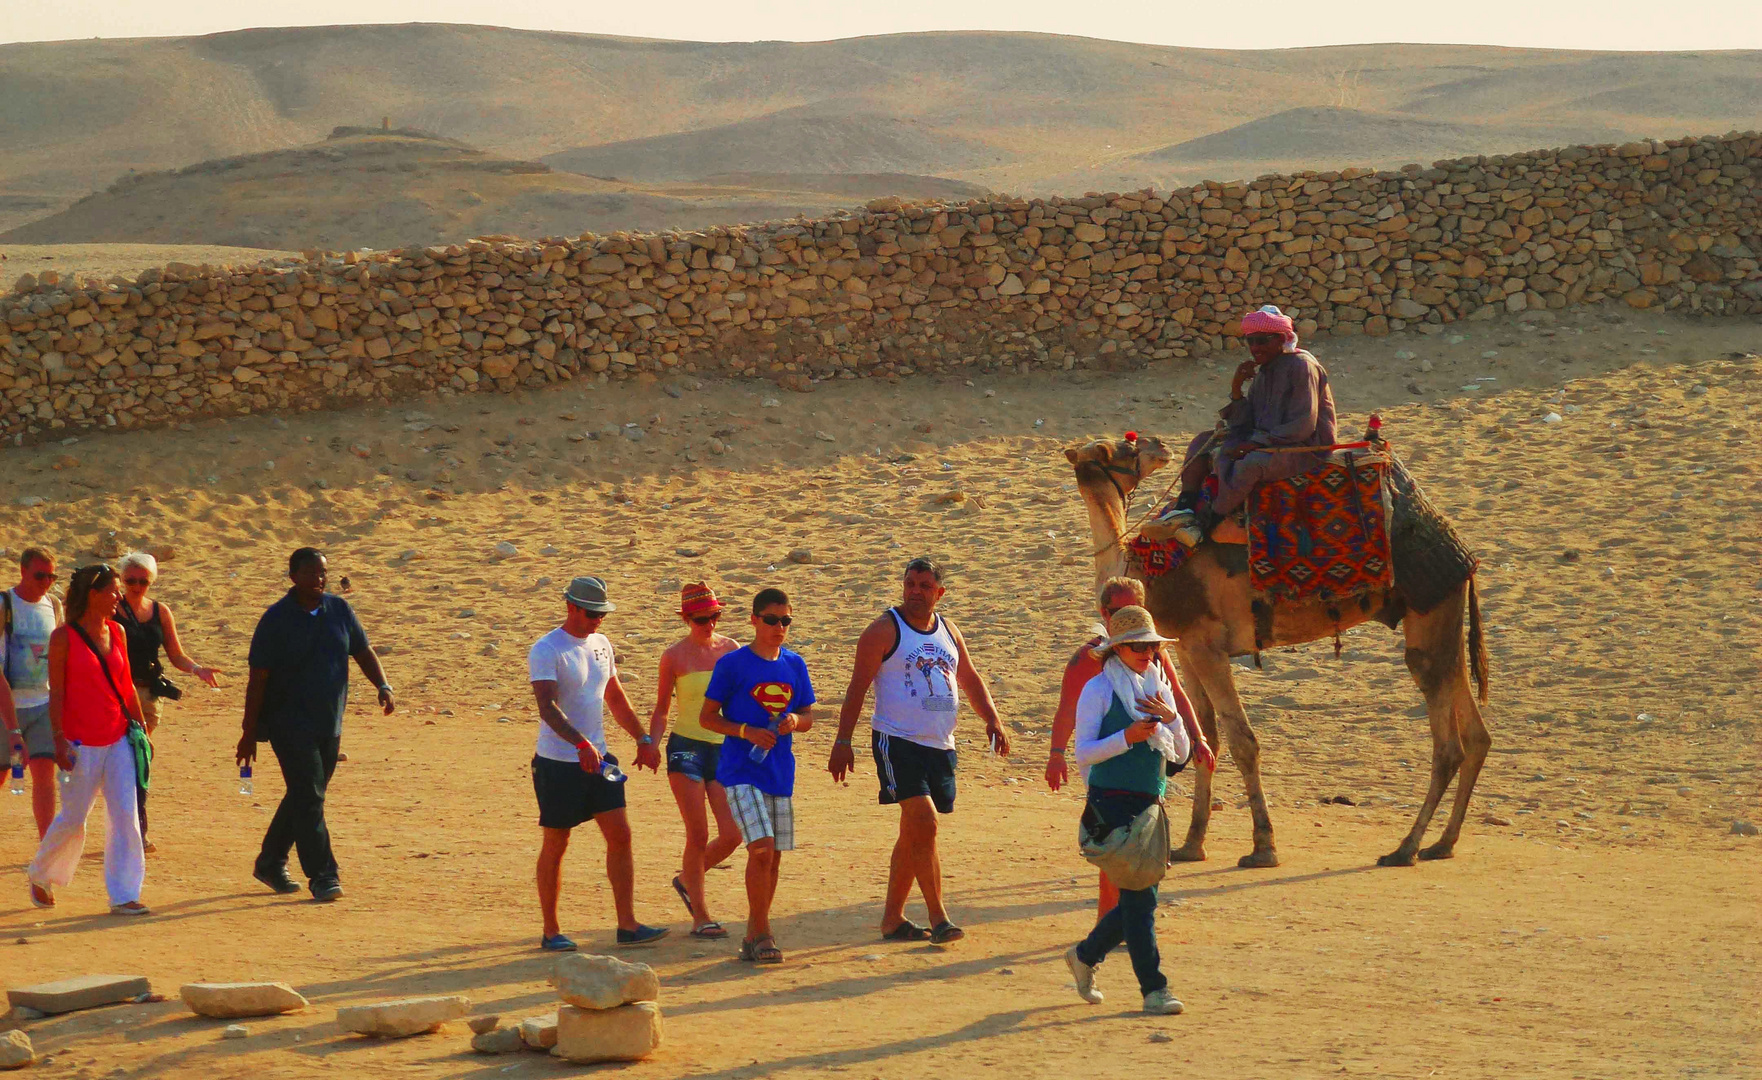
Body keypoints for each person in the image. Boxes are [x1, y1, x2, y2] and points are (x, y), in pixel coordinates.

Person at [829, 557, 1008, 945]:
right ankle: (939, 917)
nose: (915, 591)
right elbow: (857, 686)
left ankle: (892, 920)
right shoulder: (882, 630)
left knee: (914, 833)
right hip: (897, 741)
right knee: (925, 823)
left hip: (941, 745)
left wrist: (992, 720)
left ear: (939, 593)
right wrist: (843, 741)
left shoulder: (949, 631)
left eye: (925, 586)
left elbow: (969, 677)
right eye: (910, 583)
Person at [1046, 578, 1213, 919]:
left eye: (1137, 609)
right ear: (1104, 614)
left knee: (1144, 857)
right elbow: (1068, 709)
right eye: (1121, 611)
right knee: (1116, 855)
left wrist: (1197, 737)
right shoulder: (1088, 663)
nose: (1143, 648)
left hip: (1150, 770)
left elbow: (1176, 696)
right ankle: (1109, 929)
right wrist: (1056, 754)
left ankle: (1127, 931)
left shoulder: (1153, 659)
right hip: (1107, 773)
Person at [238, 548, 393, 902]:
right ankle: (323, 875)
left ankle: (270, 861)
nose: (319, 579)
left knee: (306, 795)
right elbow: (257, 679)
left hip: (329, 721)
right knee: (309, 796)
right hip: (287, 725)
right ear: (293, 577)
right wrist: (249, 733)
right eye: (310, 573)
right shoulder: (275, 620)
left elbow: (363, 650)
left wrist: (382, 685)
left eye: (322, 573)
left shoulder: (338, 610)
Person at [1064, 605, 1192, 1015]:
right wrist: (1128, 736)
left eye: (1150, 645)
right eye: (1135, 645)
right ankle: (1154, 990)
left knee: (1140, 900)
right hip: (1110, 804)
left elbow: (1182, 753)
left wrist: (1172, 721)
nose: (1145, 652)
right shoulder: (1098, 690)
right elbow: (1083, 754)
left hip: (1152, 802)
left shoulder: (1158, 688)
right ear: (1116, 649)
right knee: (1140, 903)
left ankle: (1085, 955)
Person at [530, 575, 667, 952]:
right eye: (592, 614)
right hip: (559, 762)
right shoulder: (547, 649)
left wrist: (642, 738)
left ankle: (627, 924)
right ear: (571, 607)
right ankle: (551, 929)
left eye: (601, 614)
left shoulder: (601, 644)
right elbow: (547, 707)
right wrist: (580, 743)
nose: (597, 621)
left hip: (599, 758)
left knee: (621, 835)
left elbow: (615, 697)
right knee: (557, 841)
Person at [697, 588, 815, 965]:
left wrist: (796, 721)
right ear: (753, 620)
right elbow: (707, 718)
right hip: (739, 769)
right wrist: (746, 731)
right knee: (760, 847)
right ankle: (764, 933)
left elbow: (809, 716)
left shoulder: (795, 664)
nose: (779, 627)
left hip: (779, 771)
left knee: (773, 857)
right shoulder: (732, 665)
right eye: (771, 619)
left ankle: (752, 933)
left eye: (785, 621)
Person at [26, 563, 149, 915]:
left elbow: (126, 687)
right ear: (93, 595)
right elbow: (58, 694)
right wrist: (59, 740)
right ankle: (40, 873)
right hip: (80, 743)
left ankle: (124, 894)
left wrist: (139, 728)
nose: (117, 598)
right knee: (74, 818)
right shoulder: (63, 638)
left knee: (126, 815)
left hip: (118, 738)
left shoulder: (118, 632)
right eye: (112, 591)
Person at [1159, 305, 1338, 540]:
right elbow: (1248, 421)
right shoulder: (1265, 371)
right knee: (1203, 441)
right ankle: (1185, 507)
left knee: (1249, 464)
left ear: (1282, 339)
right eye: (1251, 342)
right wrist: (1236, 388)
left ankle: (1208, 523)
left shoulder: (1301, 366)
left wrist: (1255, 443)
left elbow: (1303, 425)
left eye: (1262, 341)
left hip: (1305, 446)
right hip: (1271, 438)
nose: (1255, 348)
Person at [648, 582, 741, 939]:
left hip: (723, 747)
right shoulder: (674, 656)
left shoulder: (731, 650)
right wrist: (651, 744)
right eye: (702, 618)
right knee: (698, 832)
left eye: (715, 617)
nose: (710, 624)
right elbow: (661, 709)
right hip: (685, 746)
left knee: (732, 835)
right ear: (687, 618)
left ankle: (689, 879)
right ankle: (701, 915)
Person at [115, 551, 223, 853]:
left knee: (136, 758)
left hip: (149, 697)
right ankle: (136, 831)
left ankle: (130, 828)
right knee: (137, 757)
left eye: (143, 581)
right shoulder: (111, 610)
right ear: (122, 580)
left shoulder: (160, 611)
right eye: (130, 580)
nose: (136, 586)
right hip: (118, 696)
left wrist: (196, 669)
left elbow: (175, 654)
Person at [2, 548, 63, 839]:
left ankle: (46, 846)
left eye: (52, 576)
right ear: (23, 571)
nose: (46, 582)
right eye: (40, 575)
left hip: (43, 704)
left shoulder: (53, 605)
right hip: (6, 707)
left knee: (44, 774)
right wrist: (12, 727)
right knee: (3, 773)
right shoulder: (4, 604)